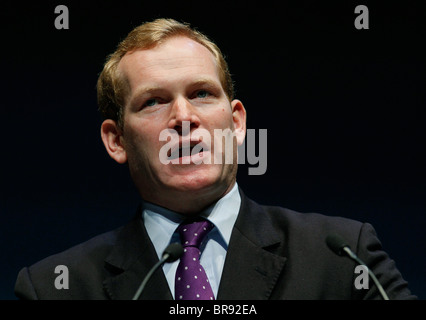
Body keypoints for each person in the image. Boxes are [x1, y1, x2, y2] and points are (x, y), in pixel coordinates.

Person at [14, 18, 416, 300]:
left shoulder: (342, 257)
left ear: (237, 122)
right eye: (154, 101)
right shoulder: (54, 287)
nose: (184, 117)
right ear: (116, 140)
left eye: (202, 93)